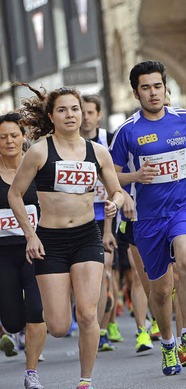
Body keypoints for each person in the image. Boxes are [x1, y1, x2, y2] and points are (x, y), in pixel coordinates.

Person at [110, 60, 186, 376]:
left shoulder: (185, 120)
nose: (152, 93)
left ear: (166, 88)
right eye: (145, 88)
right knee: (160, 290)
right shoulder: (127, 132)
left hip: (184, 208)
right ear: (136, 93)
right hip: (147, 219)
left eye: (157, 86)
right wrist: (136, 175)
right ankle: (168, 344)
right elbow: (112, 177)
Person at [9, 85, 124, 389]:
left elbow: (117, 190)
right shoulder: (39, 151)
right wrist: (30, 235)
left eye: (74, 108)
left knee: (87, 314)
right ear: (51, 115)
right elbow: (15, 194)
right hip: (51, 241)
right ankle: (65, 291)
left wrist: (116, 202)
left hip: (87, 237)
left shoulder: (98, 152)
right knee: (59, 326)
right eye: (62, 110)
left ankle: (85, 380)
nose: (70, 115)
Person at [0, 113, 47, 389]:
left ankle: (31, 374)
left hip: (34, 250)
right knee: (14, 320)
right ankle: (8, 330)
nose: (9, 141)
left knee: (36, 310)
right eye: (3, 137)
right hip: (3, 253)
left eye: (13, 135)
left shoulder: (37, 170)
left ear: (23, 137)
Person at [78, 95, 122, 351]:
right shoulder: (68, 145)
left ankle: (106, 325)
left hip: (106, 213)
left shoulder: (107, 140)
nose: (85, 117)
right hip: (81, 216)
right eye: (82, 112)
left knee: (106, 269)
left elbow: (113, 184)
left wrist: (109, 227)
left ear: (98, 115)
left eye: (89, 112)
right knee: (93, 275)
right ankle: (96, 322)